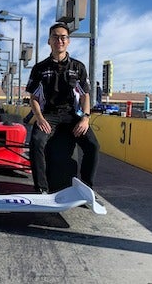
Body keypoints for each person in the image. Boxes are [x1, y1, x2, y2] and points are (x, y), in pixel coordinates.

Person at [25, 22, 100, 193]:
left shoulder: (78, 67)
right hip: (48, 116)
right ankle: (41, 189)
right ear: (49, 41)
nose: (59, 40)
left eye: (63, 37)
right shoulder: (39, 68)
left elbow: (84, 96)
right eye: (55, 37)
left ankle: (87, 188)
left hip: (72, 116)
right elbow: (34, 98)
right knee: (36, 142)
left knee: (93, 146)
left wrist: (85, 118)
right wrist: (40, 118)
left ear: (68, 41)